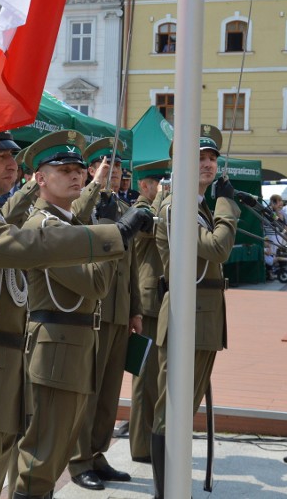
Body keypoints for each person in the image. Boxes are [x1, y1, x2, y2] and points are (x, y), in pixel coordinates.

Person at [0, 118, 132, 499]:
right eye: (0, 155)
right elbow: (30, 246)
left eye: (12, 155)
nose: (12, 163)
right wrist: (114, 233)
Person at [12, 131, 151, 499]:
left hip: (74, 345)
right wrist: (110, 234)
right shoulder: (45, 227)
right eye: (65, 170)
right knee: (41, 455)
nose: (76, 175)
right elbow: (96, 285)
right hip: (56, 348)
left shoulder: (69, 224)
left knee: (53, 451)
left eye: (78, 169)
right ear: (40, 179)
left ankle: (90, 458)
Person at [150, 125, 239, 498]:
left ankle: (173, 485)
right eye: (198, 158)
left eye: (211, 158)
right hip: (187, 315)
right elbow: (217, 249)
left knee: (186, 407)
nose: (206, 164)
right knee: (172, 409)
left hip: (202, 314)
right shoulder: (178, 205)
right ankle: (165, 490)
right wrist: (228, 207)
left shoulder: (198, 204)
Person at [68, 138, 142, 491]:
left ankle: (97, 453)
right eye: (106, 167)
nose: (114, 174)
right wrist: (94, 185)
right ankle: (79, 459)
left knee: (110, 392)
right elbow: (76, 221)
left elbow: (131, 267)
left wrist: (135, 310)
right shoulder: (82, 206)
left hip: (118, 312)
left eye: (118, 170)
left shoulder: (125, 207)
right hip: (91, 310)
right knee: (88, 390)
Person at [128, 159, 171, 464]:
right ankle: (142, 446)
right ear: (144, 185)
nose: (164, 187)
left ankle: (154, 438)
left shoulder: (161, 207)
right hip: (149, 304)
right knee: (145, 380)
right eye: (158, 182)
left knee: (159, 378)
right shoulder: (141, 210)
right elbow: (153, 229)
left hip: (163, 301)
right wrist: (164, 199)